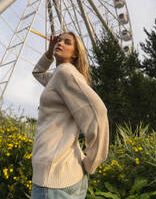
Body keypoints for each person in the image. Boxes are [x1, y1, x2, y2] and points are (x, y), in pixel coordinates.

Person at [31, 31, 109, 199]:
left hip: (52, 182)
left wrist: (93, 161)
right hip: (66, 175)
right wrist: (49, 53)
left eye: (67, 42)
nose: (60, 43)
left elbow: (99, 112)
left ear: (75, 54)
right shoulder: (57, 77)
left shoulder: (65, 72)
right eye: (59, 41)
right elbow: (37, 73)